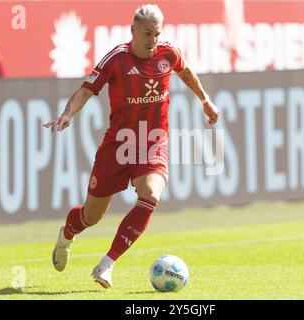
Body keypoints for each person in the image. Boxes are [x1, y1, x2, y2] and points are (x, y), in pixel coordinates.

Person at [43, 4, 220, 289]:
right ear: (133, 30)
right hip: (118, 145)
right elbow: (86, 90)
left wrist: (205, 100)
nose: (152, 40)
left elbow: (185, 72)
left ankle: (106, 264)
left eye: (157, 33)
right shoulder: (117, 59)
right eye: (147, 33)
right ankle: (67, 233)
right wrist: (67, 114)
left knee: (151, 194)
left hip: (153, 142)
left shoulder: (168, 54)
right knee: (91, 217)